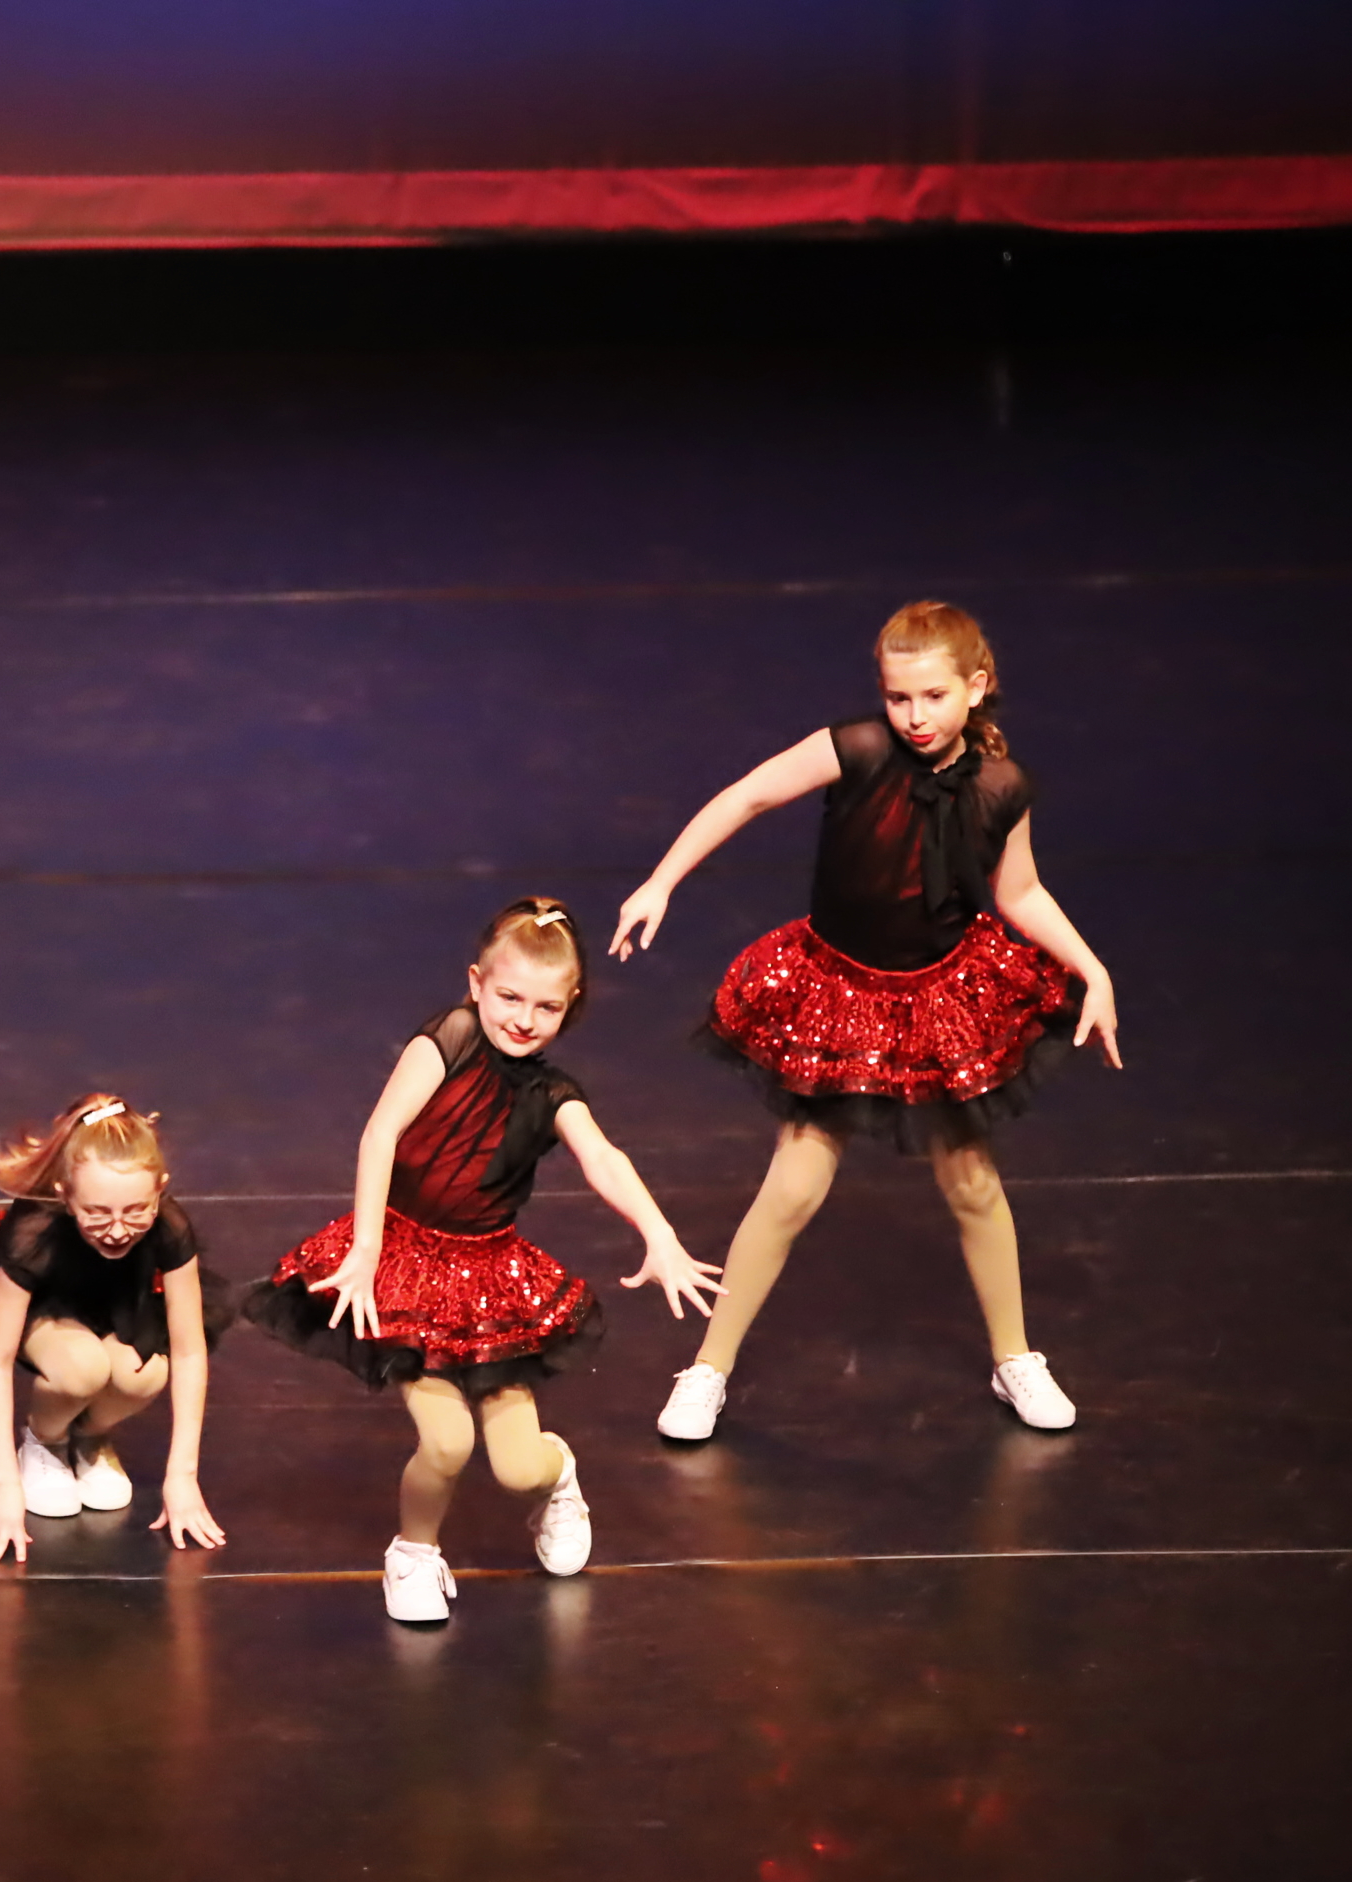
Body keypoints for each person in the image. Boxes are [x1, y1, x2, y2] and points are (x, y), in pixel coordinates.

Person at [608, 600, 1123, 1443]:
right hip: (839, 995)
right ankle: (708, 1368)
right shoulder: (854, 749)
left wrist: (1092, 968)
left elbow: (1020, 891)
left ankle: (1015, 1358)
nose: (914, 716)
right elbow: (747, 797)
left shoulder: (1002, 787)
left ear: (976, 688)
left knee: (973, 1184)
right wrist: (661, 881)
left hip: (939, 999)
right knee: (793, 1187)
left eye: (933, 696)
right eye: (898, 697)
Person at [243, 899, 721, 1622]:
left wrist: (658, 1232)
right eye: (509, 997)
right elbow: (380, 1134)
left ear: (571, 1005)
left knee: (519, 1466)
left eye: (546, 1007)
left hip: (490, 1281)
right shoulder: (451, 1039)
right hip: (402, 1260)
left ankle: (560, 1478)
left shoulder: (553, 1093)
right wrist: (367, 1246)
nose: (524, 1019)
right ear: (476, 984)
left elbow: (605, 1158)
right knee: (447, 1441)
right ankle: (413, 1552)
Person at [0, 1093, 226, 1563]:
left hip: (118, 1309)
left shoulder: (171, 1226)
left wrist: (182, 1478)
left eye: (135, 1211)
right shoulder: (34, 1232)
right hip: (46, 1314)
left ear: (160, 1190)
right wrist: (5, 1488)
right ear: (65, 1195)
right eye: (97, 1212)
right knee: (83, 1369)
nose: (117, 1230)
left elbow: (188, 1351)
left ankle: (90, 1437)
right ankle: (44, 1440)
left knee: (145, 1373)